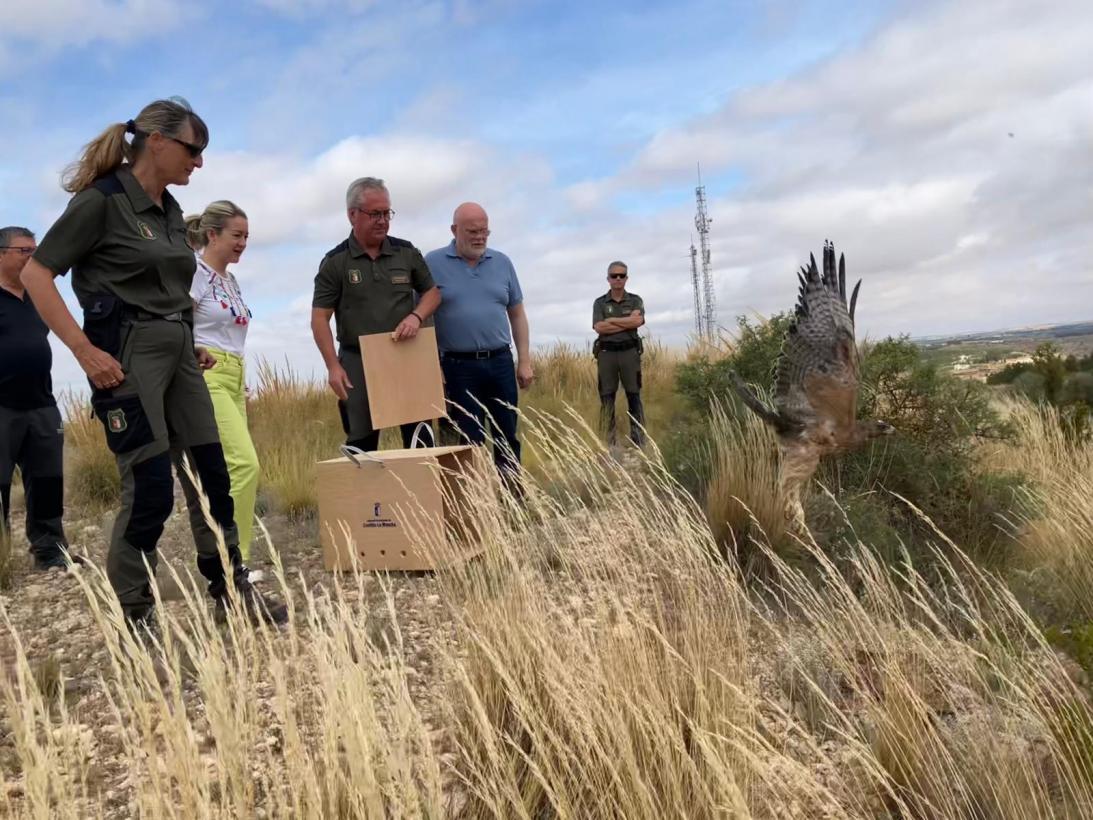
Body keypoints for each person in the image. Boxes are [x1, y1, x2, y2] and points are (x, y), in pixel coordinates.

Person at [20, 98, 286, 630]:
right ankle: (137, 614)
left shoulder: (167, 211)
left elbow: (169, 289)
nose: (200, 162)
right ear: (158, 141)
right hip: (127, 357)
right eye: (194, 149)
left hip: (182, 356)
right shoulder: (102, 201)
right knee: (149, 490)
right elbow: (36, 276)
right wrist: (84, 351)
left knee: (213, 476)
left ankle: (231, 589)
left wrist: (187, 344)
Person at [311, 177, 441, 452]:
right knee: (362, 445)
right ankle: (369, 496)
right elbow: (319, 318)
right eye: (375, 214)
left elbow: (432, 295)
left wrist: (416, 317)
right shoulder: (336, 262)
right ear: (352, 215)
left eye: (387, 213)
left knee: (421, 440)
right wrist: (333, 366)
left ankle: (420, 495)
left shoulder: (406, 252)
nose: (383, 221)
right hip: (358, 361)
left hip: (407, 356)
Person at [425, 202, 532, 482]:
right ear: (454, 230)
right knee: (466, 441)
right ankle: (472, 507)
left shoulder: (503, 262)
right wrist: (432, 367)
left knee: (507, 435)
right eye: (472, 231)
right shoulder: (432, 263)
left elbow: (517, 314)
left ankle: (512, 501)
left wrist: (525, 360)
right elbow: (424, 320)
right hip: (457, 368)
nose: (479, 237)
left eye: (484, 231)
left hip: (500, 363)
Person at [180, 201, 261, 565]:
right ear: (212, 235)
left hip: (234, 374)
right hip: (206, 373)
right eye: (236, 235)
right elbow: (178, 319)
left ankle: (230, 555)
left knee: (232, 469)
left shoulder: (231, 280)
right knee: (244, 465)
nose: (242, 243)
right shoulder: (194, 271)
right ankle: (235, 562)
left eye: (246, 236)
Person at [0, 226, 77, 570]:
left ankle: (49, 552)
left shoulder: (38, 294)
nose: (33, 257)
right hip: (2, 407)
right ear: (1, 254)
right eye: (24, 251)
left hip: (42, 404)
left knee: (47, 481)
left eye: (35, 249)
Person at [592, 261, 646, 446]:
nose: (618, 279)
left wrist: (612, 320)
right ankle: (609, 441)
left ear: (626, 278)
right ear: (608, 279)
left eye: (621, 275)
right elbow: (599, 327)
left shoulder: (635, 300)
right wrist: (625, 321)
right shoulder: (600, 303)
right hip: (607, 353)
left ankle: (638, 439)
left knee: (633, 394)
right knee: (607, 397)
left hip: (629, 352)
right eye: (614, 276)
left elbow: (637, 322)